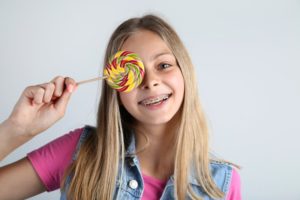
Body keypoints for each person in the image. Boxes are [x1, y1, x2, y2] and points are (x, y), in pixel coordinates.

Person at [0, 14, 241, 200]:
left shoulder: (223, 183)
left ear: (184, 72)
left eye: (164, 65)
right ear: (115, 86)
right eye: (132, 72)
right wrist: (17, 129)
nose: (150, 81)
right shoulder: (81, 152)